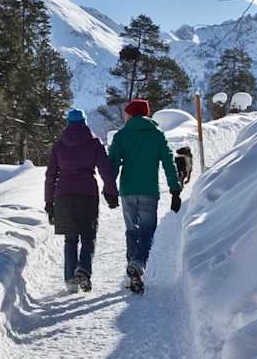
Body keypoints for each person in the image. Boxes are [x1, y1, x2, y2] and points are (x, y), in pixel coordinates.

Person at [107, 99, 182, 294]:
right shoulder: (157, 135)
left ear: (131, 114)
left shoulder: (121, 136)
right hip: (149, 191)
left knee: (132, 231)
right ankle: (138, 265)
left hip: (128, 190)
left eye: (126, 113)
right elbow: (169, 162)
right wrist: (175, 189)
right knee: (147, 231)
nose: (124, 116)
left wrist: (110, 189)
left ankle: (134, 270)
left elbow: (112, 163)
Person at [44, 108, 119, 293]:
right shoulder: (94, 143)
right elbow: (105, 171)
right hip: (87, 194)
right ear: (85, 123)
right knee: (88, 236)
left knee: (70, 239)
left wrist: (48, 203)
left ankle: (70, 281)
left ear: (68, 123)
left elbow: (50, 176)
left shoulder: (59, 145)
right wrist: (111, 193)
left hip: (63, 195)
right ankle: (84, 270)